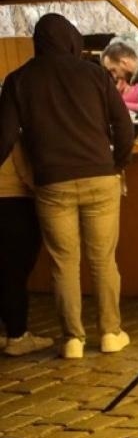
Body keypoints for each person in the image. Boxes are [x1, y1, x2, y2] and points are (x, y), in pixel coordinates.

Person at [0, 13, 135, 359]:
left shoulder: (18, 80)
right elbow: (123, 124)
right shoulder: (94, 74)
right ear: (72, 39)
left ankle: (72, 340)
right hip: (100, 177)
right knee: (103, 260)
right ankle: (110, 332)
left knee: (64, 263)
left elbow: (3, 137)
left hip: (52, 183)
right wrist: (117, 163)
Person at [0, 78, 52, 358]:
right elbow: (22, 167)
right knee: (15, 271)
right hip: (13, 201)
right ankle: (17, 335)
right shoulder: (7, 124)